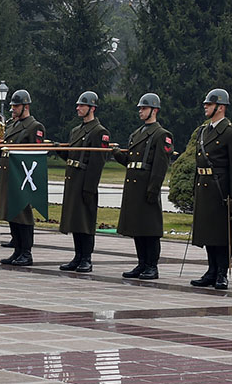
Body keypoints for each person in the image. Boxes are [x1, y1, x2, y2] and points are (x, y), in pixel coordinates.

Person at [113, 93, 172, 280]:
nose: (140, 111)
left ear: (154, 110)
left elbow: (160, 165)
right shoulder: (136, 134)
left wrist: (153, 189)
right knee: (137, 228)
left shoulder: (161, 134)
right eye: (140, 108)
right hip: (134, 187)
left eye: (144, 108)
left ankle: (152, 266)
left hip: (147, 185)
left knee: (150, 229)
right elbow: (131, 161)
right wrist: (116, 154)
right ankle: (141, 263)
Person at [189, 89, 232, 290]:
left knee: (222, 233)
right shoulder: (204, 131)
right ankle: (211, 270)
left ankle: (222, 272)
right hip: (205, 187)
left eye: (209, 104)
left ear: (220, 107)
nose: (205, 106)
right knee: (208, 232)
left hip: (221, 188)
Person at [57, 91, 109, 273]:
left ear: (92, 108)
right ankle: (77, 256)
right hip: (73, 180)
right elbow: (73, 156)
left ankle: (86, 258)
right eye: (78, 105)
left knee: (85, 222)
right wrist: (60, 151)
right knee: (75, 221)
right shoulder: (76, 131)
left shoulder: (99, 132)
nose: (78, 108)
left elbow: (97, 163)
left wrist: (89, 188)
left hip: (85, 181)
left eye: (82, 105)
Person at [0, 90, 46, 266]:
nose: (13, 110)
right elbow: (6, 150)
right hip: (10, 175)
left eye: (16, 106)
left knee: (23, 216)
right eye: (12, 106)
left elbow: (34, 154)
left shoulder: (34, 127)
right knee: (13, 214)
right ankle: (17, 250)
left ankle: (26, 252)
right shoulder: (12, 125)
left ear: (26, 106)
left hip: (23, 177)